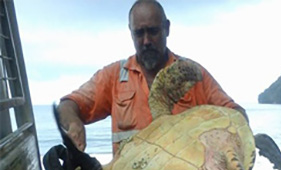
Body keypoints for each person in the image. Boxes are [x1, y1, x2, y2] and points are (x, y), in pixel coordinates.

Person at [57, 0, 246, 155]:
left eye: (153, 31)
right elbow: (68, 105)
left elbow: (235, 114)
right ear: (130, 32)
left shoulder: (192, 74)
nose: (146, 41)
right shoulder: (114, 76)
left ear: (167, 28)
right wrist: (73, 123)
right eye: (139, 33)